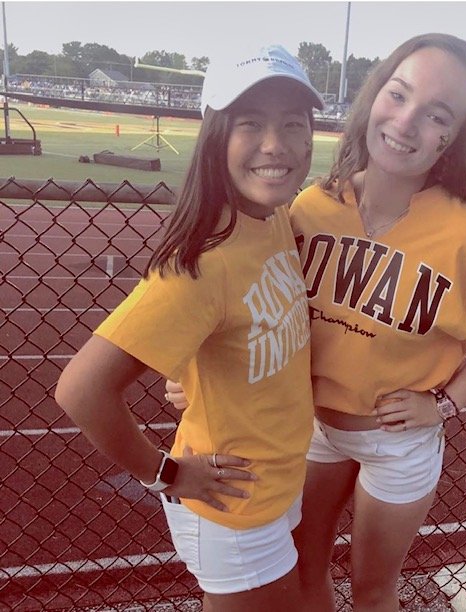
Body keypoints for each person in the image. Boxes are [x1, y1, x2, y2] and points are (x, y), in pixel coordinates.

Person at [167, 33, 466, 611]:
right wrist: (195, 371)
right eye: (398, 95)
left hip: (397, 444)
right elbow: (248, 298)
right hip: (310, 426)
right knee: (305, 568)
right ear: (373, 99)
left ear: (454, 136)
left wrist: (446, 403)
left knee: (371, 590)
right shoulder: (310, 207)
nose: (407, 123)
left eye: (436, 114)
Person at [55, 44, 324, 612]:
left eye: (292, 125)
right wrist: (165, 473)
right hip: (232, 511)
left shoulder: (272, 219)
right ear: (216, 136)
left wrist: (187, 372)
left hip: (277, 485)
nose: (275, 145)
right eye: (250, 123)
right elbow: (80, 389)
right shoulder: (200, 264)